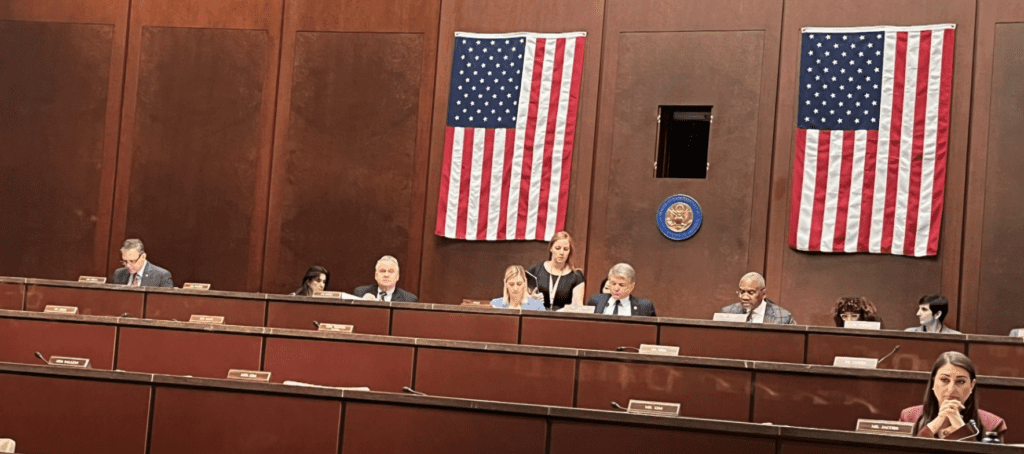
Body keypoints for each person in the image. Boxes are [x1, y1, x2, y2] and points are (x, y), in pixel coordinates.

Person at [899, 351, 1007, 441]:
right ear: (933, 383)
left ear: (971, 386)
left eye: (960, 382)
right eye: (944, 380)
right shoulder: (908, 417)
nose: (951, 389)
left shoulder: (993, 425)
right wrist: (935, 424)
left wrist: (961, 428)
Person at [526, 231, 585, 310]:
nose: (561, 252)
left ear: (569, 251)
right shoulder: (536, 270)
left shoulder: (576, 275)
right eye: (557, 248)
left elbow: (577, 306)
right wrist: (531, 298)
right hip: (538, 316)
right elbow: (520, 297)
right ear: (551, 248)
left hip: (563, 319)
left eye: (566, 249)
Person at [718, 272, 796, 324]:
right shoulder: (727, 313)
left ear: (763, 293)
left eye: (751, 292)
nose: (745, 297)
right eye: (742, 292)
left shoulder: (783, 317)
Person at [585, 263, 656, 316]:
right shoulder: (596, 301)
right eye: (613, 283)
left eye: (621, 285)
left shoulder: (644, 307)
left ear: (631, 286)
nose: (616, 288)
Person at [354, 255, 418, 302]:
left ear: (397, 276)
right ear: (376, 275)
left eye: (391, 271)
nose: (386, 275)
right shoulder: (360, 293)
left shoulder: (409, 300)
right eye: (382, 271)